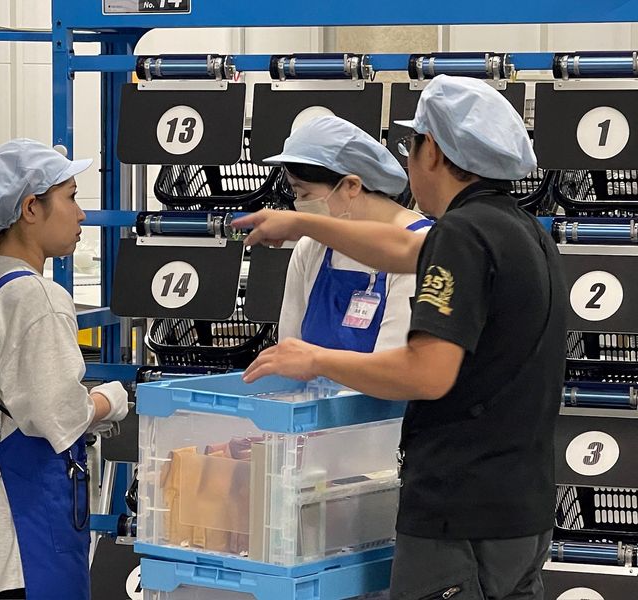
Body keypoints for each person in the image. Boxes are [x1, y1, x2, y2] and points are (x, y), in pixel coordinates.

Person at [234, 75, 568, 600]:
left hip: (459, 513)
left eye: (411, 145)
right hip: (521, 511)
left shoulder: (461, 235)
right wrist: (304, 224)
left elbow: (426, 373)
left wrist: (317, 359)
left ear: (430, 150)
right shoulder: (519, 231)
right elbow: (400, 248)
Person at [0, 139, 129, 600]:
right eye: (71, 197)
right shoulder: (38, 297)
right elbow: (58, 415)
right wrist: (110, 400)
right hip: (25, 532)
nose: (81, 215)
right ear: (31, 208)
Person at [269, 116, 432, 353]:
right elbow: (288, 350)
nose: (298, 205)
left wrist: (315, 362)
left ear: (351, 186)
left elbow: (397, 364)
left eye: (304, 194)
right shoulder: (312, 247)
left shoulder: (420, 248)